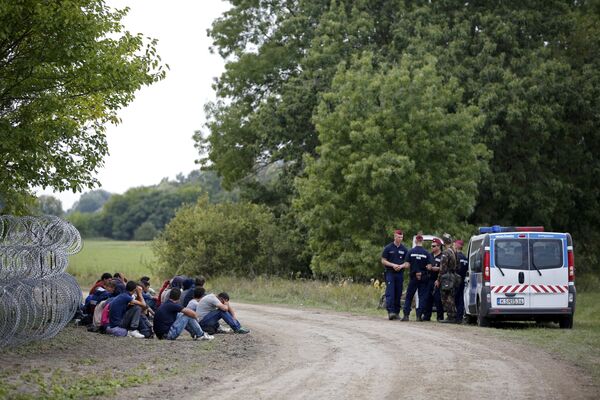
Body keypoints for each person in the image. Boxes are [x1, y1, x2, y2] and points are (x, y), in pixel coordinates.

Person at [401, 234, 433, 321]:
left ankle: (406, 315)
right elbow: (430, 267)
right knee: (422, 297)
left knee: (409, 296)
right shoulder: (427, 253)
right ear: (422, 241)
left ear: (415, 241)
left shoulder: (410, 252)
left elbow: (407, 265)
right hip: (423, 277)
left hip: (413, 277)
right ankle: (419, 316)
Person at [381, 229, 409, 320]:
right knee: (390, 292)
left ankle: (397, 312)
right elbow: (383, 260)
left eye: (401, 237)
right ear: (394, 237)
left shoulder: (404, 249)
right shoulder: (388, 248)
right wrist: (393, 265)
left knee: (398, 292)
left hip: (400, 273)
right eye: (398, 237)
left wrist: (401, 266)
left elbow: (408, 263)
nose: (400, 239)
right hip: (390, 273)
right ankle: (391, 312)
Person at [435, 233, 459, 323]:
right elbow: (458, 266)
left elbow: (442, 268)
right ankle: (453, 315)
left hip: (446, 277)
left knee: (446, 297)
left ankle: (451, 316)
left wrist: (438, 279)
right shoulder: (454, 251)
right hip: (453, 276)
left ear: (443, 242)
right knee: (451, 296)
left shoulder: (446, 252)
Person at [422, 238, 444, 321]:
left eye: (434, 246)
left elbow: (444, 268)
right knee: (428, 298)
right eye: (431, 246)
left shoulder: (442, 256)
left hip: (438, 280)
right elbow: (425, 265)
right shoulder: (429, 255)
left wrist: (436, 268)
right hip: (429, 279)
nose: (432, 247)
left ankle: (440, 317)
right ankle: (427, 316)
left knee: (438, 299)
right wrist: (427, 267)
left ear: (439, 246)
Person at [454, 239, 469, 323]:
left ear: (457, 245)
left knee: (454, 298)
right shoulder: (465, 258)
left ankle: (455, 316)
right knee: (460, 299)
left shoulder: (455, 257)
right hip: (462, 281)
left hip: (455, 281)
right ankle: (459, 316)